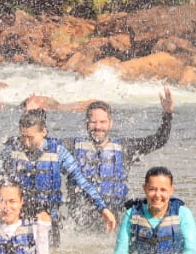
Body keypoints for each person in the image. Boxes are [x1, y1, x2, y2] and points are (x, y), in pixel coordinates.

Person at [0, 109, 117, 246]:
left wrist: (102, 209)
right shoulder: (11, 151)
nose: (26, 142)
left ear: (43, 132)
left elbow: (82, 182)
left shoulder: (58, 152)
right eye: (23, 137)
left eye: (31, 138)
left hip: (49, 220)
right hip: (17, 217)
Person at [66, 86, 175, 231]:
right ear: (86, 123)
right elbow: (41, 142)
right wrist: (31, 114)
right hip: (81, 223)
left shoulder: (125, 149)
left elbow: (159, 139)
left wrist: (167, 114)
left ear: (110, 123)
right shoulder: (71, 148)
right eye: (93, 122)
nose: (97, 127)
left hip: (115, 220)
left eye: (103, 122)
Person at [114, 166, 196, 254]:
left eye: (163, 190)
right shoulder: (131, 214)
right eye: (152, 189)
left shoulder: (183, 214)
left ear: (171, 190)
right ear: (145, 188)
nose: (157, 195)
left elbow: (193, 253)